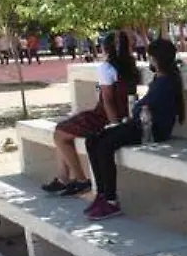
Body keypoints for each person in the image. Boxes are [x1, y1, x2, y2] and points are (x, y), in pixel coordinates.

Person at [83, 39, 185, 221]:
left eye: (150, 57)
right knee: (92, 139)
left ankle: (111, 200)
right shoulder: (160, 78)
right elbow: (142, 106)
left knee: (105, 145)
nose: (149, 61)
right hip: (141, 124)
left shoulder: (166, 81)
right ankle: (102, 193)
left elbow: (141, 107)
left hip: (151, 131)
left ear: (156, 59)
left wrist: (137, 107)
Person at [43, 32, 141, 197]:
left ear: (106, 47)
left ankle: (81, 180)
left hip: (106, 116)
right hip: (124, 114)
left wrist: (114, 127)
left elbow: (108, 101)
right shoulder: (131, 66)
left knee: (60, 133)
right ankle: (63, 179)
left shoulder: (107, 67)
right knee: (63, 130)